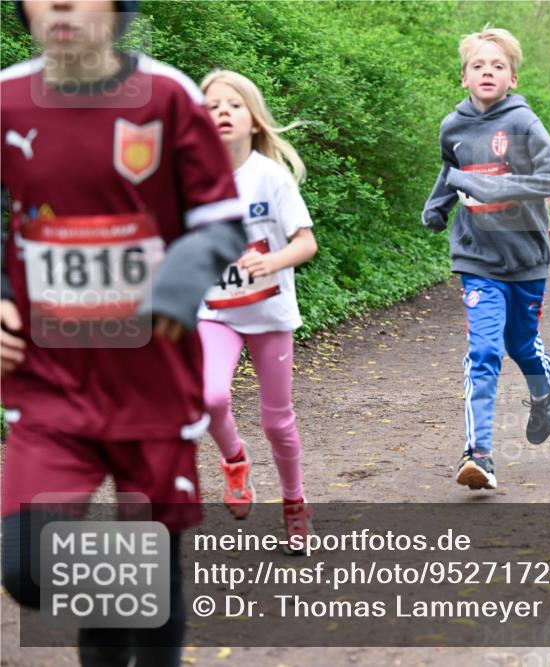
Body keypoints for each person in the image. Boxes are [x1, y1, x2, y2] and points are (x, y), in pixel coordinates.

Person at [1, 1, 245, 665]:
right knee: (27, 566)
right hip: (51, 382)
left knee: (153, 546)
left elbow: (221, 221)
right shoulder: (7, 102)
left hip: (152, 380)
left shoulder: (167, 97)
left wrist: (174, 282)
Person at [421, 27, 550, 491]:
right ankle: (478, 454)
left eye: (498, 66)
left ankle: (545, 391)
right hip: (476, 256)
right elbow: (452, 168)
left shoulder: (524, 123)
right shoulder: (453, 126)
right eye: (478, 66)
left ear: (513, 78)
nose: (488, 71)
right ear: (463, 78)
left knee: (521, 345)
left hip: (526, 256)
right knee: (484, 351)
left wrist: (493, 187)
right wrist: (438, 204)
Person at [197, 70, 318, 550]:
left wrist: (270, 260)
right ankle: (234, 460)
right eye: (211, 107)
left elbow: (305, 243)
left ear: (253, 121)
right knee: (209, 398)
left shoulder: (271, 177)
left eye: (233, 105)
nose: (222, 112)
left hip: (269, 314)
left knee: (277, 420)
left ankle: (294, 504)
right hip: (215, 311)